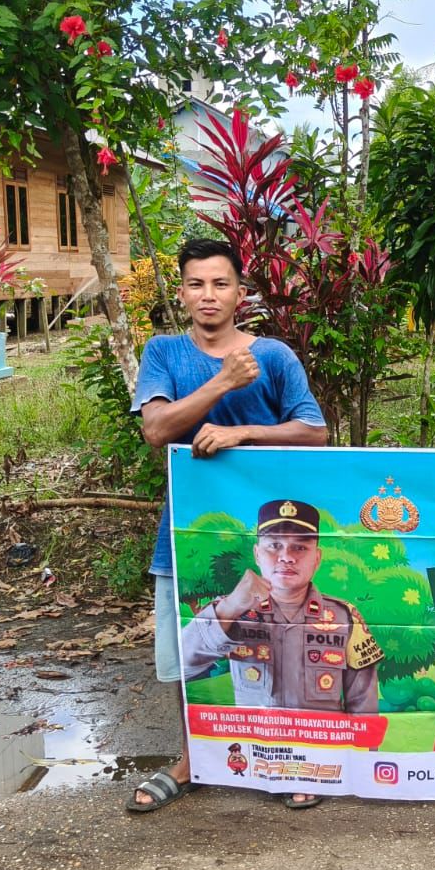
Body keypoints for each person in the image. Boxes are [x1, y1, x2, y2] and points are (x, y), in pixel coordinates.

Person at [126, 237, 329, 814]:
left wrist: (242, 432)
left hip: (272, 537)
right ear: (183, 292)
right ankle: (191, 761)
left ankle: (289, 759)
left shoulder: (276, 356)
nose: (208, 295)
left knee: (286, 653)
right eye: (196, 284)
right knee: (187, 656)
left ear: (241, 293)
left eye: (220, 284)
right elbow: (157, 429)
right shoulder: (164, 352)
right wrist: (221, 384)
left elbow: (315, 432)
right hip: (190, 535)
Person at [179, 498, 382, 715]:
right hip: (255, 745)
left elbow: (364, 704)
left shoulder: (344, 616)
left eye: (300, 547)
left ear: (317, 558)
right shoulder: (230, 610)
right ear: (257, 554)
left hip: (321, 745)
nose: (286, 557)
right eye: (275, 545)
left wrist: (361, 748)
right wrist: (230, 607)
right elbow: (181, 666)